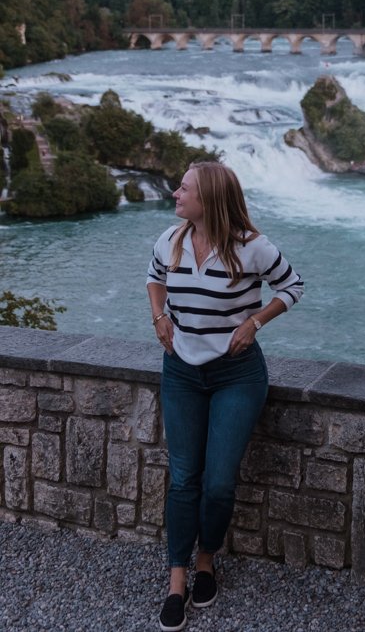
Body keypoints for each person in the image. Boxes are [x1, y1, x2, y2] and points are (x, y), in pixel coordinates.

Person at [147, 161, 303, 632]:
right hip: (181, 374)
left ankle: (206, 563)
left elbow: (293, 286)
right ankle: (177, 581)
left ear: (209, 197)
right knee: (182, 479)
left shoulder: (252, 248)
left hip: (237, 376)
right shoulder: (170, 241)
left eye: (185, 188)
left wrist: (255, 323)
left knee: (217, 482)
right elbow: (154, 278)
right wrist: (159, 317)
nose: (176, 193)